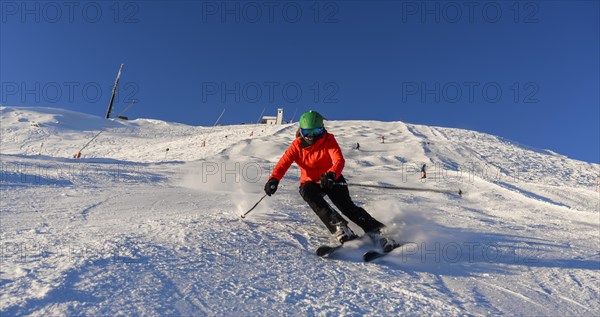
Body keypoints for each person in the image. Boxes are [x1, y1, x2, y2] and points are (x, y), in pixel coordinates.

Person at [263, 111, 397, 250]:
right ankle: (338, 226)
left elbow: (338, 159)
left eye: (316, 131)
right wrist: (273, 179)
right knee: (308, 193)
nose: (312, 136)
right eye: (308, 132)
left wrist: (332, 174)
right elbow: (283, 164)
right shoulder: (296, 146)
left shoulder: (328, 140)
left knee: (347, 207)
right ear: (301, 131)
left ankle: (379, 232)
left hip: (331, 178)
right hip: (310, 182)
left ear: (322, 129)